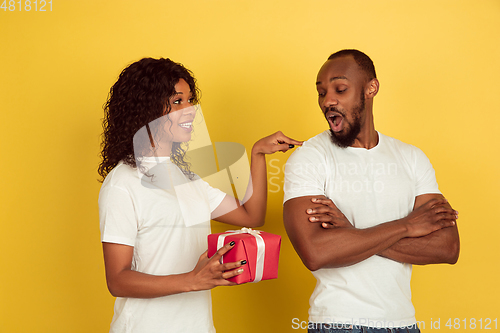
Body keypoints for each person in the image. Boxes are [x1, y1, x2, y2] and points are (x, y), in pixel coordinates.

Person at [98, 57, 301, 333]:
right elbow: (118, 280)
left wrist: (258, 154)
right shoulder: (122, 183)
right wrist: (193, 279)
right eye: (177, 101)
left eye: (190, 100)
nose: (190, 110)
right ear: (148, 109)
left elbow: (251, 215)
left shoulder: (187, 180)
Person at [283, 49, 460, 333]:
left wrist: (351, 233)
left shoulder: (411, 157)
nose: (328, 100)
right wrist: (407, 226)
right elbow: (314, 252)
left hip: (404, 324)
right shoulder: (310, 157)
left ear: (371, 88)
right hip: (338, 323)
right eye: (321, 92)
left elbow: (447, 248)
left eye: (340, 89)